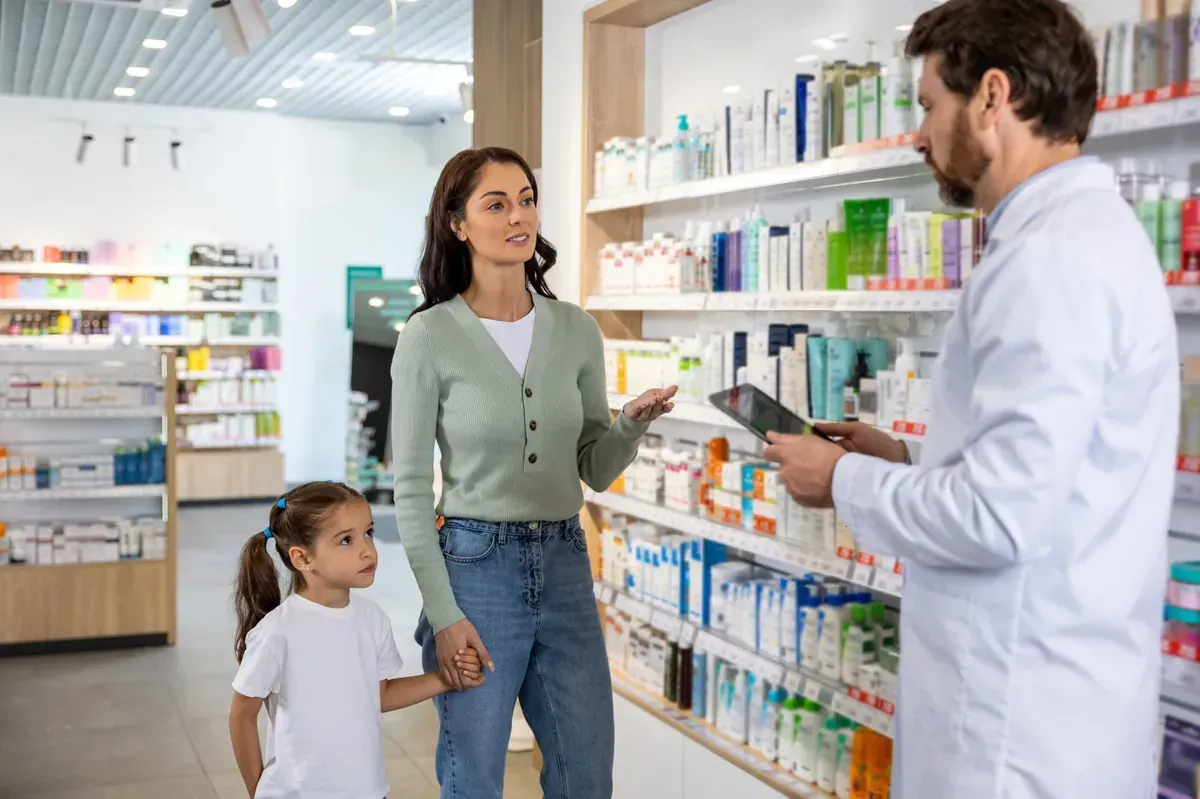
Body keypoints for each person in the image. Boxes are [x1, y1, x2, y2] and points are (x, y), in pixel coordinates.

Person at [762, 1, 1178, 797]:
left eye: (927, 105)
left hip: (1015, 733)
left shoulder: (1050, 261)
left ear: (991, 97)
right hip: (1050, 705)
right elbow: (1044, 474)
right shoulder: (1080, 237)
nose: (920, 134)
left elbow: (1001, 515)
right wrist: (908, 459)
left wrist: (840, 480)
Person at [390, 146, 674, 798]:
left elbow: (594, 470)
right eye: (496, 203)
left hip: (566, 563)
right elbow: (408, 492)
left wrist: (629, 424)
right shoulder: (428, 337)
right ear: (458, 223)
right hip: (474, 567)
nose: (519, 216)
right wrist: (444, 612)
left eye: (526, 198)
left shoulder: (574, 329)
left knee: (586, 774)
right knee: (475, 777)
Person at [228, 481, 485, 799]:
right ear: (302, 558)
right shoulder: (276, 633)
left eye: (369, 533)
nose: (367, 550)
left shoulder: (372, 619)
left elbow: (380, 696)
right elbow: (241, 715)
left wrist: (445, 679)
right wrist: (257, 790)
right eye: (346, 540)